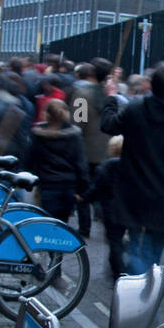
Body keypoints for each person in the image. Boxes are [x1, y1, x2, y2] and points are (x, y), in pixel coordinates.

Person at [100, 61, 164, 275]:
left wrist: (110, 96)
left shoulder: (135, 110)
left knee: (135, 244)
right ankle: (144, 290)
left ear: (151, 84)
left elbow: (108, 125)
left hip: (133, 189)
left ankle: (134, 284)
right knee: (152, 251)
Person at [26, 98, 88, 227]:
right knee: (61, 223)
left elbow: (31, 158)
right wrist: (82, 189)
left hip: (47, 183)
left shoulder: (38, 134)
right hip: (68, 184)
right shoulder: (74, 135)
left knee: (46, 221)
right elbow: (80, 163)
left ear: (46, 114)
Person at [72, 62, 111, 239]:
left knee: (82, 190)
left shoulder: (82, 95)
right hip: (107, 150)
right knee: (105, 190)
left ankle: (84, 228)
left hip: (86, 149)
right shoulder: (111, 95)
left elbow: (77, 124)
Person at [83, 135, 128, 279]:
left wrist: (83, 198)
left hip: (110, 210)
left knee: (114, 242)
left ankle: (118, 273)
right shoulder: (132, 167)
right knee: (119, 240)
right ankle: (119, 267)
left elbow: (97, 188)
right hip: (127, 209)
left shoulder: (106, 166)